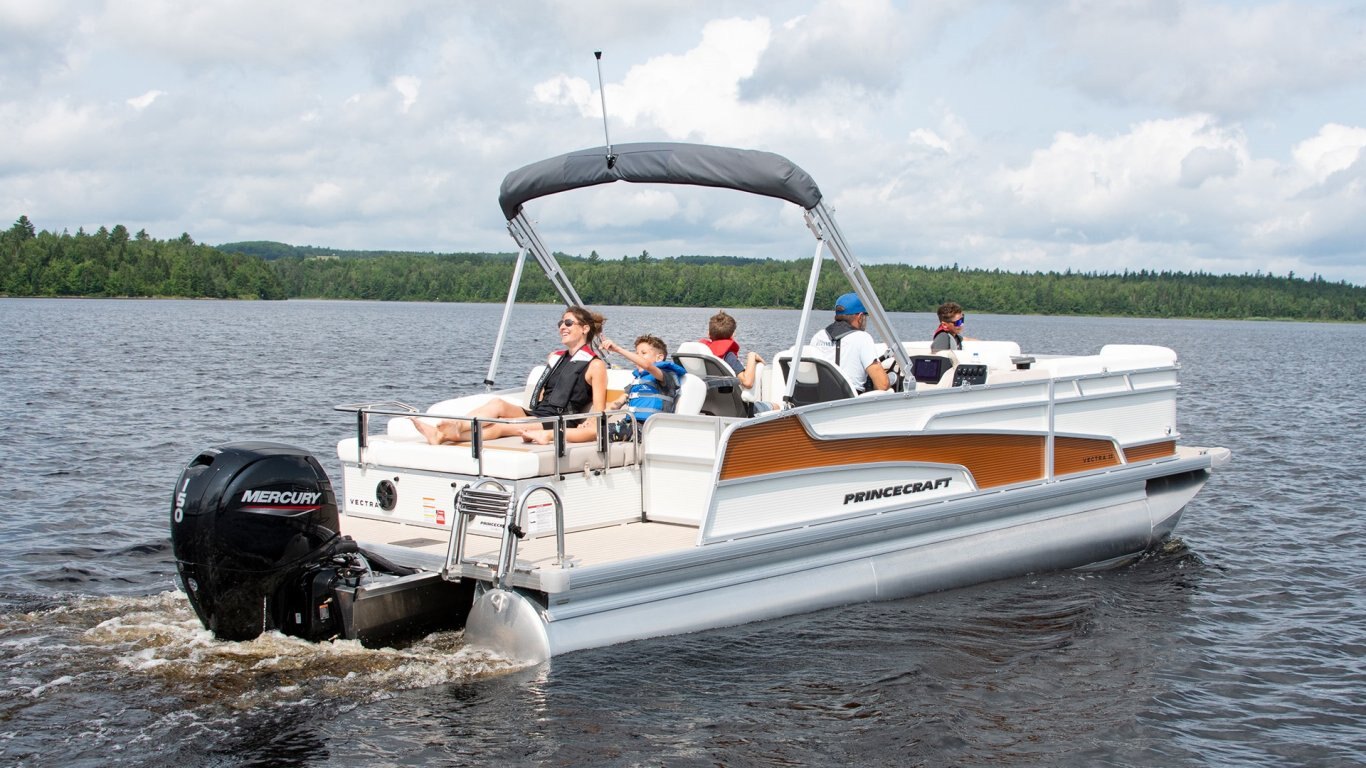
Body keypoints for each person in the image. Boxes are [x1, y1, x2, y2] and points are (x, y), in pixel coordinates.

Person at [411, 306, 608, 446]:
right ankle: (459, 425)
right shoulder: (556, 358)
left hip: (559, 419)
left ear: (585, 328)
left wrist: (588, 424)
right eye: (561, 323)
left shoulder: (595, 365)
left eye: (568, 323)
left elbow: (598, 411)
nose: (562, 327)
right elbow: (545, 394)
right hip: (539, 413)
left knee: (502, 427)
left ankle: (444, 435)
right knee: (498, 404)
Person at [601, 334, 687, 438]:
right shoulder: (637, 382)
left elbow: (647, 366)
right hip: (631, 426)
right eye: (636, 354)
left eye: (643, 353)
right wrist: (594, 420)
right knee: (598, 428)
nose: (638, 357)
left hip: (650, 429)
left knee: (601, 432)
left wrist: (617, 349)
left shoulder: (664, 376)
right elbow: (616, 405)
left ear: (659, 358)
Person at [809, 292, 891, 393]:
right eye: (865, 316)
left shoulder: (818, 336)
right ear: (860, 317)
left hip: (821, 397)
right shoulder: (862, 338)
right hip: (851, 399)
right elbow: (883, 385)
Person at [701, 310, 763, 389]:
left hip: (705, 395)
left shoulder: (701, 354)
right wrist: (752, 356)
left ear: (708, 334)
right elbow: (747, 383)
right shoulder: (728, 356)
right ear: (733, 335)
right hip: (726, 395)